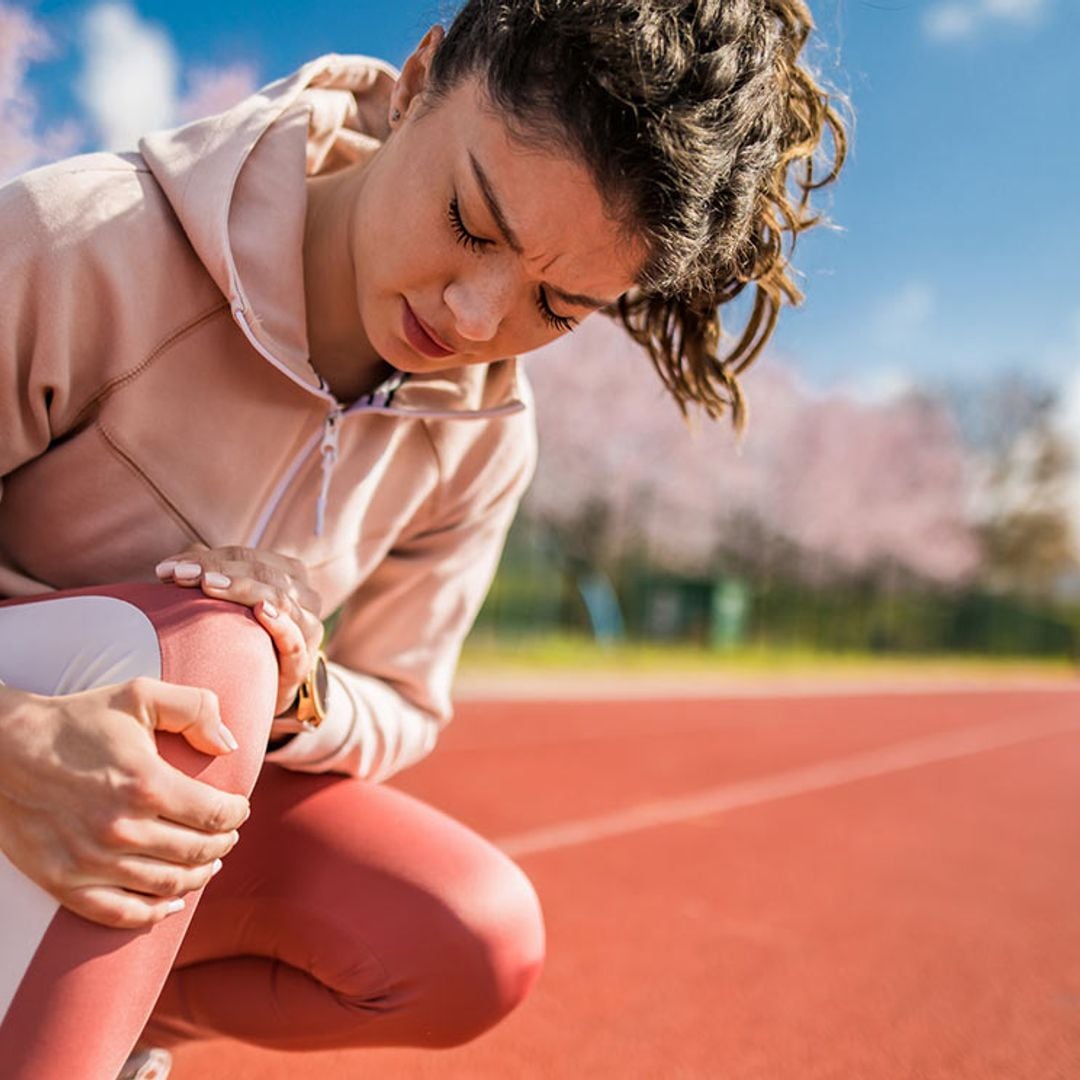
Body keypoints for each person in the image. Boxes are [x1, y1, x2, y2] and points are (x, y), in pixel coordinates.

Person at [0, 0, 846, 1076]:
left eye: (559, 303)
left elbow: (401, 699)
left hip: (135, 820)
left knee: (470, 934)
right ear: (418, 78)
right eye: (469, 218)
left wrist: (301, 686)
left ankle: (109, 1019)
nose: (476, 316)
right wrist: (14, 744)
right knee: (211, 655)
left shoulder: (485, 438)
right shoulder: (81, 240)